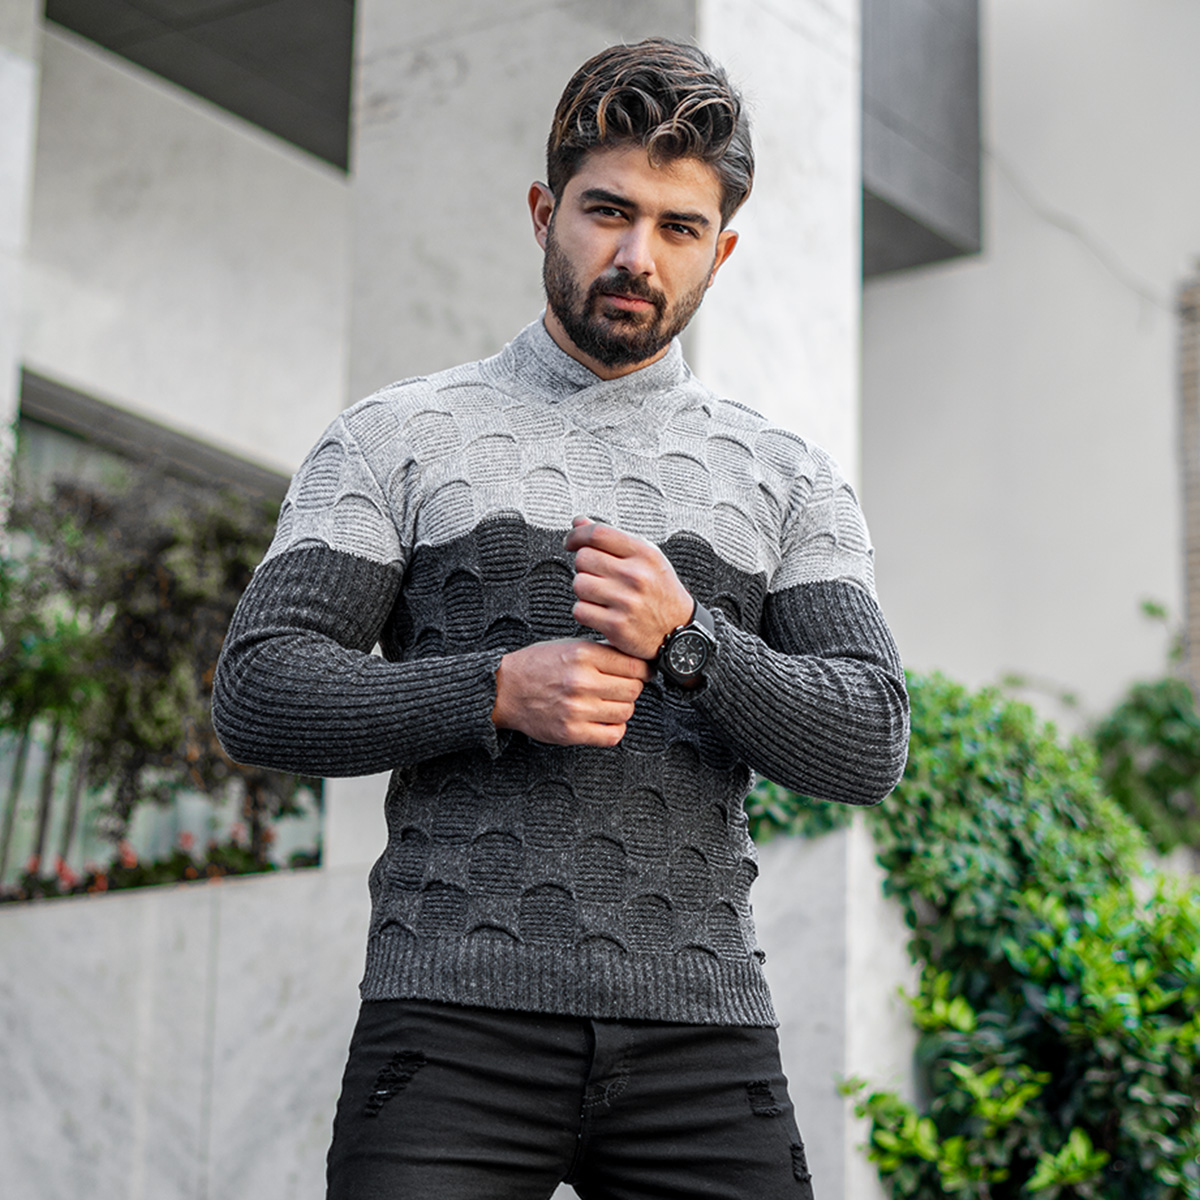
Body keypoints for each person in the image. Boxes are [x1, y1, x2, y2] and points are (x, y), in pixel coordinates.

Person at [212, 36, 908, 1200]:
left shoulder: (787, 477)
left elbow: (870, 736)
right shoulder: (395, 437)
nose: (637, 256)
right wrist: (491, 690)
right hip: (450, 1024)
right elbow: (260, 687)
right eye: (608, 211)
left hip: (703, 1033)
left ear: (721, 251)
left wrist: (691, 642)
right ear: (546, 212)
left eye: (679, 228)